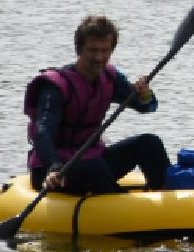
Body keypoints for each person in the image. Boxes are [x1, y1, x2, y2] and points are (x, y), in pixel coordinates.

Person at [24, 14, 170, 194]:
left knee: (149, 143)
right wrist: (54, 167)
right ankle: (125, 204)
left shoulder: (110, 78)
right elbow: (43, 132)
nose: (99, 57)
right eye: (92, 50)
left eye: (105, 50)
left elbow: (146, 107)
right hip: (54, 171)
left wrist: (145, 94)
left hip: (92, 159)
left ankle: (166, 192)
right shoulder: (56, 86)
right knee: (93, 168)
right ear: (79, 49)